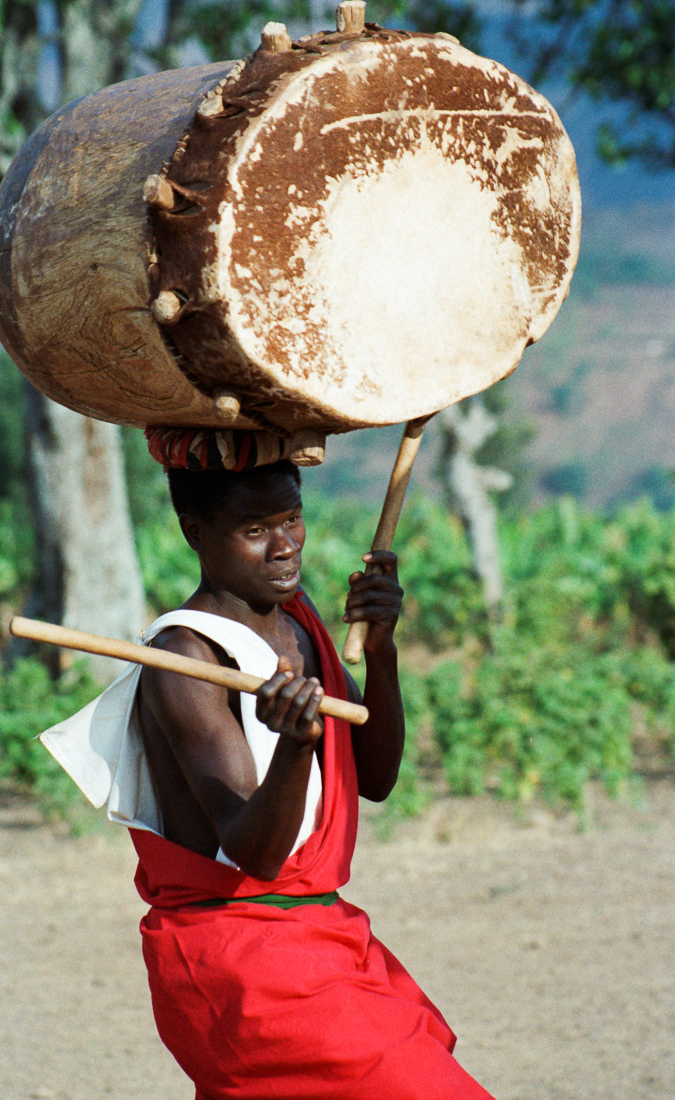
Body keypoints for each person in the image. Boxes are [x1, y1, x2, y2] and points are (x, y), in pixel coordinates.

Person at [126, 456, 496, 1100]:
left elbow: (374, 776)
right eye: (254, 529)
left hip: (320, 937)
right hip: (246, 960)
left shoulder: (298, 623)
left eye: (292, 518)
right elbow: (256, 852)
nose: (285, 546)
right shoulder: (186, 656)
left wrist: (381, 651)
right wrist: (298, 747)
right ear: (195, 531)